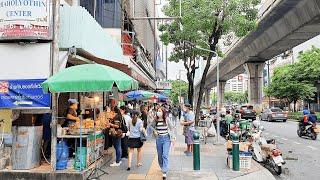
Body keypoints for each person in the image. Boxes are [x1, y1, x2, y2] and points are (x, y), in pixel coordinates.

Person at [150, 107, 176, 179]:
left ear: (163, 112)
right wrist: (154, 130)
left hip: (167, 139)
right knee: (160, 155)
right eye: (158, 111)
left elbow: (171, 128)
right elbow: (151, 126)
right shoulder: (156, 120)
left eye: (160, 111)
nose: (158, 112)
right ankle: (162, 167)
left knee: (165, 155)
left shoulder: (166, 119)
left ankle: (164, 171)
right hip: (158, 139)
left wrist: (173, 137)